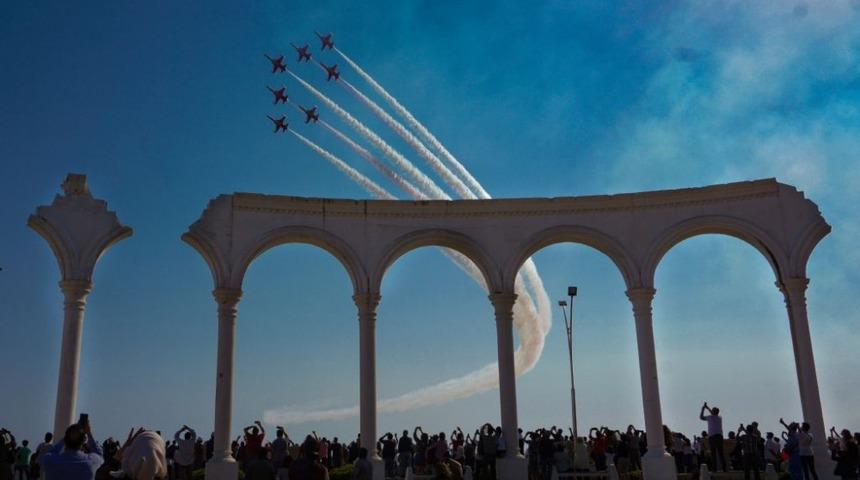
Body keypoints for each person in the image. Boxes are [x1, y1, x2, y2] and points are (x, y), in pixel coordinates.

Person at [39, 418, 104, 480]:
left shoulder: (50, 460)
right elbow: (99, 455)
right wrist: (89, 433)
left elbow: (50, 453)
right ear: (84, 440)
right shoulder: (91, 462)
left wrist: (67, 436)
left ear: (65, 439)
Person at [700, 402, 726, 472]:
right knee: (721, 453)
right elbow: (713, 412)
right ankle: (724, 468)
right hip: (719, 436)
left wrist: (703, 409)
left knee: (713, 453)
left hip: (712, 437)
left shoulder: (710, 417)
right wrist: (707, 407)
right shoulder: (719, 417)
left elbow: (701, 417)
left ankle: (714, 469)